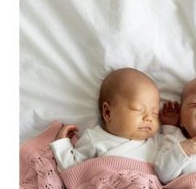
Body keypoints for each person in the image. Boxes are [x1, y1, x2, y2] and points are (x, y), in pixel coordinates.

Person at [50, 68, 178, 171]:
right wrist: (62, 145)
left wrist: (170, 127)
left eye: (155, 113)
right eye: (138, 109)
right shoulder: (95, 139)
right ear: (108, 112)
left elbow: (172, 153)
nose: (149, 118)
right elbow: (72, 168)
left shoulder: (156, 142)